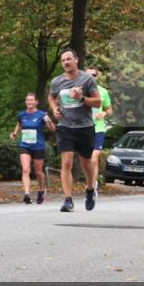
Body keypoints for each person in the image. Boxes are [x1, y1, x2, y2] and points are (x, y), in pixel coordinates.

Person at [48, 49, 101, 212]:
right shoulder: (56, 81)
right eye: (63, 60)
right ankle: (68, 200)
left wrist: (82, 98)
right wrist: (55, 109)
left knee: (86, 164)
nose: (65, 62)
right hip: (65, 127)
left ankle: (90, 189)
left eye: (68, 59)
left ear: (76, 60)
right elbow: (51, 97)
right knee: (67, 162)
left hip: (84, 127)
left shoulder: (87, 79)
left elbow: (98, 102)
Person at [10, 93, 56, 204]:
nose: (29, 102)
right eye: (27, 100)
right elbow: (19, 124)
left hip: (38, 146)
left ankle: (41, 191)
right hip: (24, 145)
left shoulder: (41, 114)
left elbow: (53, 129)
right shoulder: (22, 115)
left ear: (36, 102)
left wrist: (48, 120)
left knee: (39, 172)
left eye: (31, 100)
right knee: (25, 169)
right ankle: (27, 194)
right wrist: (15, 133)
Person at [85, 67, 113, 177]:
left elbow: (110, 109)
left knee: (94, 158)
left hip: (98, 129)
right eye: (88, 75)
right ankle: (92, 183)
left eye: (93, 75)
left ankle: (91, 185)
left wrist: (104, 113)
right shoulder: (80, 91)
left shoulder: (103, 91)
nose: (91, 77)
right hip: (84, 129)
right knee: (89, 160)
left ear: (97, 77)